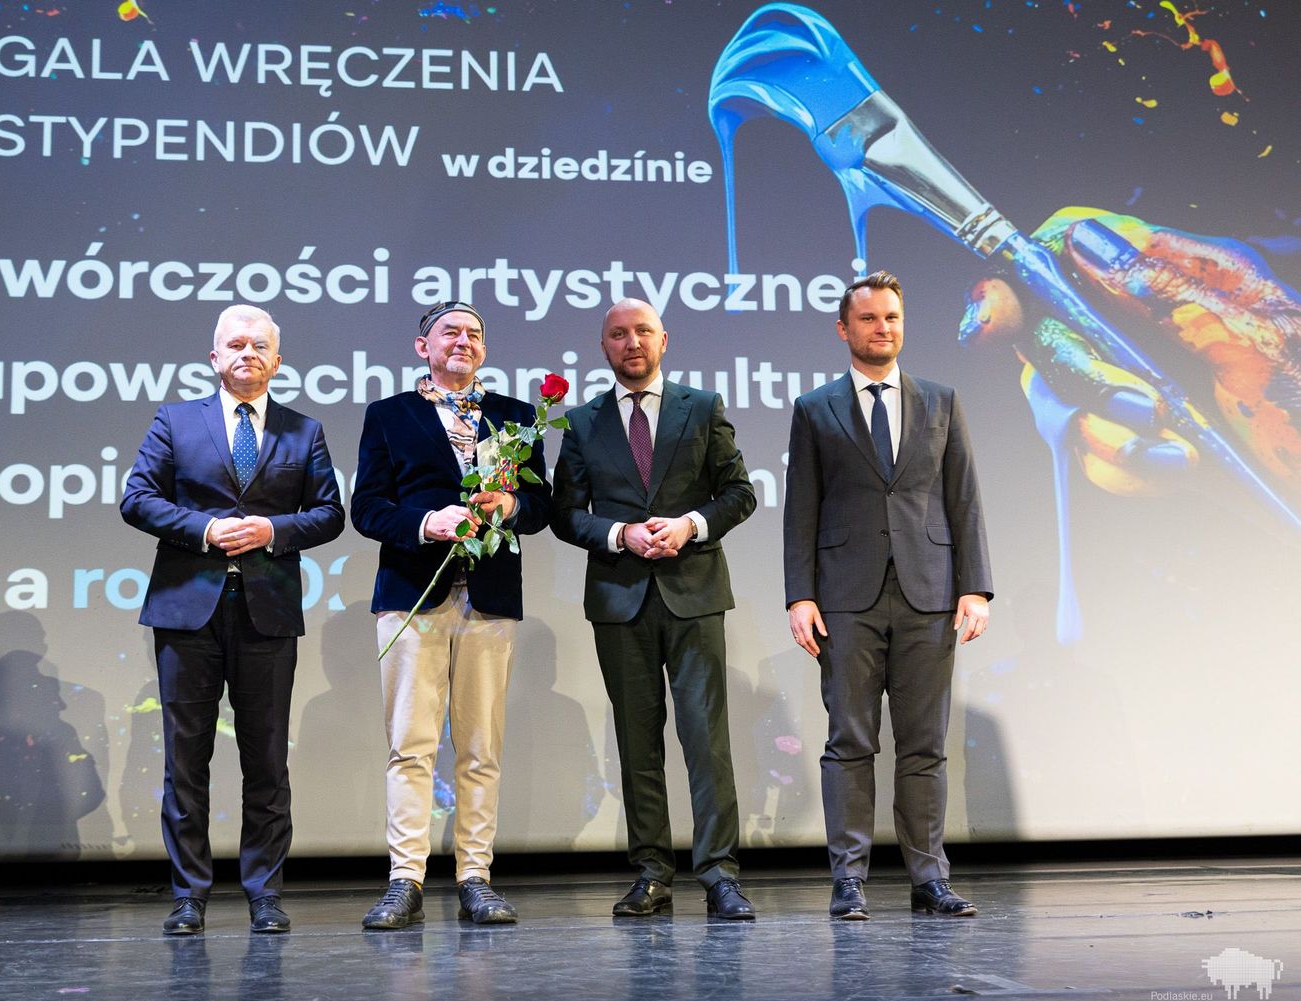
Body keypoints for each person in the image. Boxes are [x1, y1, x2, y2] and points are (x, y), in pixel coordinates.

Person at [122, 304, 345, 936]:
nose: (248, 354)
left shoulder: (303, 430)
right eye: (236, 344)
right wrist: (205, 528)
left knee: (267, 760)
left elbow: (330, 513)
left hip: (266, 613)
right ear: (214, 357)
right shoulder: (175, 420)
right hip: (187, 611)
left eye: (259, 346)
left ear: (277, 361)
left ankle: (264, 893)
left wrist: (273, 529)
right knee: (185, 761)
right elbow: (137, 499)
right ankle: (188, 896)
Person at [784, 270, 993, 921]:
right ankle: (848, 880)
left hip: (930, 593)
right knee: (849, 742)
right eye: (870, 318)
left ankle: (929, 878)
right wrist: (800, 595)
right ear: (844, 329)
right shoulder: (815, 408)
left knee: (924, 745)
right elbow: (801, 509)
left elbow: (963, 498)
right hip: (846, 599)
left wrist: (975, 587)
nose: (883, 328)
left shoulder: (941, 400)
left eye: (892, 317)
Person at [552, 298, 757, 920]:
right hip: (620, 600)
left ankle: (719, 874)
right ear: (604, 347)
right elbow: (565, 515)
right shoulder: (582, 423)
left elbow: (739, 493)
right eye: (618, 334)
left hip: (694, 595)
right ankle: (651, 874)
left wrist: (690, 524)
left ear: (664, 340)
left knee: (706, 739)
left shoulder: (702, 407)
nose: (632, 342)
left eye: (643, 331)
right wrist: (620, 534)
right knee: (637, 742)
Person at [351, 300, 552, 928]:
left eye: (473, 333)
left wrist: (510, 506)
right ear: (423, 347)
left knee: (481, 745)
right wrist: (426, 522)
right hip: (413, 594)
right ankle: (404, 880)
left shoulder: (516, 417)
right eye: (449, 332)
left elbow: (541, 507)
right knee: (410, 745)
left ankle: (475, 878)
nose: (463, 340)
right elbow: (367, 509)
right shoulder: (389, 415)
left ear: (484, 349)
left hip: (489, 598)